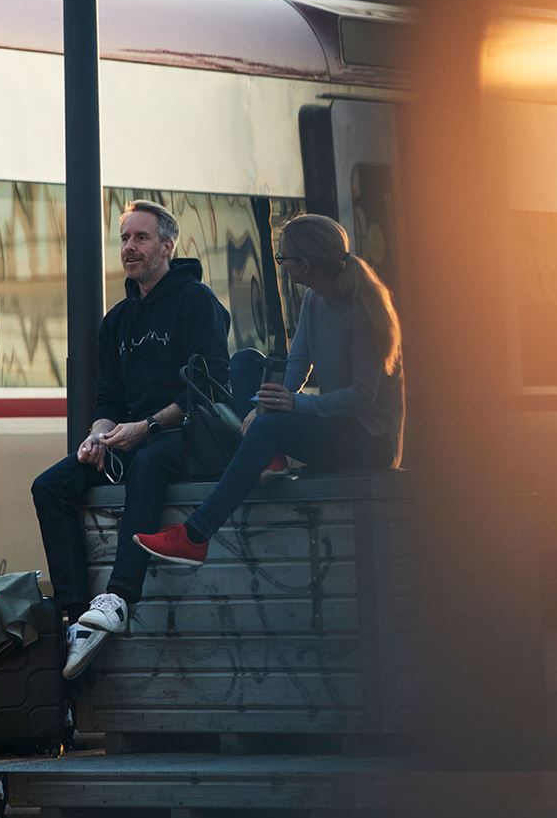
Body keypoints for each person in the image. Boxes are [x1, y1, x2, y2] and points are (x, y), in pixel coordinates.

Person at [133, 213, 405, 567]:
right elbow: (298, 362)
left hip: (370, 439)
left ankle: (195, 535)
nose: (282, 266)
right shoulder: (314, 299)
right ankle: (269, 456)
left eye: (283, 259)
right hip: (339, 425)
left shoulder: (364, 308)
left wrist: (291, 405)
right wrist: (266, 404)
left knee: (268, 427)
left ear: (305, 263)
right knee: (246, 361)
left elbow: (359, 398)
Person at [31, 200, 230, 678]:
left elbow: (210, 387)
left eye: (141, 238)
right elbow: (107, 398)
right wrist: (97, 437)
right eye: (124, 239)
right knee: (50, 486)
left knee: (148, 462)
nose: (129, 248)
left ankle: (119, 595)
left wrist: (149, 426)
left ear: (168, 245)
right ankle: (78, 613)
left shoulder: (197, 302)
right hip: (129, 438)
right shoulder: (117, 320)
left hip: (186, 434)